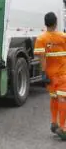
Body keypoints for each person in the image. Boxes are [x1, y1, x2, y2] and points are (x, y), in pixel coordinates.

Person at [34, 12, 66, 140]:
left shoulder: (41, 39)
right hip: (63, 73)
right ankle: (63, 128)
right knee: (63, 98)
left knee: (53, 98)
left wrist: (43, 72)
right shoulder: (63, 37)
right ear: (56, 22)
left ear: (45, 23)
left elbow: (41, 57)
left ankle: (54, 122)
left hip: (50, 75)